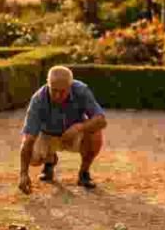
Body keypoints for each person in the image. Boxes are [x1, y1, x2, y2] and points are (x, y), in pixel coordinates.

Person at [18, 65, 107, 193]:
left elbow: (101, 120)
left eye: (63, 91)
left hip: (74, 134)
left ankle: (84, 173)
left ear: (70, 86)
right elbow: (28, 139)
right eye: (54, 90)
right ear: (48, 84)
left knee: (95, 132)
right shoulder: (38, 99)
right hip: (47, 136)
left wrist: (79, 127)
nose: (58, 95)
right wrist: (23, 174)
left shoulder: (81, 90)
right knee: (33, 158)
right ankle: (50, 161)